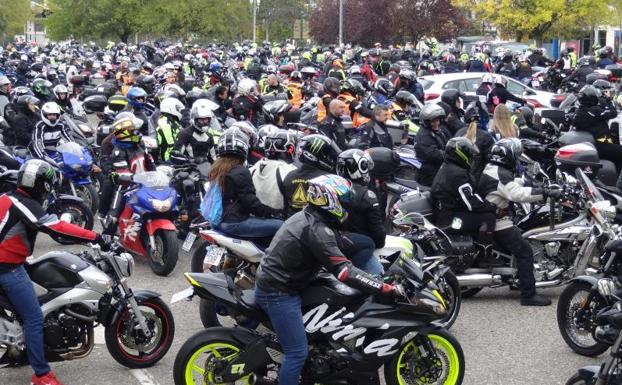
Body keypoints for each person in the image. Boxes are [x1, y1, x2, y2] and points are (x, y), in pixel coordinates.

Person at [254, 174, 400, 385]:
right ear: (330, 200)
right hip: (278, 292)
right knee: (297, 352)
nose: (345, 206)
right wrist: (381, 286)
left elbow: (336, 244)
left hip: (285, 281)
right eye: (342, 201)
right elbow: (343, 272)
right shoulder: (316, 229)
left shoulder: (309, 216)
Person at [0, 159, 106, 385]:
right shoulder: (25, 205)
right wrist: (96, 236)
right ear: (45, 185)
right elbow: (55, 227)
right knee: (34, 317)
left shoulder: (7, 198)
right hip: (6, 268)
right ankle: (42, 375)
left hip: (12, 261)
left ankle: (16, 346)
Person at [477, 138, 559, 306]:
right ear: (508, 155)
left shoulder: (494, 169)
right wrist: (545, 192)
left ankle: (519, 277)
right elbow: (517, 194)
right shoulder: (499, 174)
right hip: (498, 222)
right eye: (516, 154)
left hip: (494, 217)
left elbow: (511, 184)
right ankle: (528, 295)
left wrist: (530, 181)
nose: (517, 157)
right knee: (525, 251)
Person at [210, 130, 283, 238]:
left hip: (217, 220)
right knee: (282, 225)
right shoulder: (240, 171)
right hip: (234, 222)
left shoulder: (216, 169)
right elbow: (251, 203)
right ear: (243, 148)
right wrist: (273, 212)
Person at [431, 137, 496, 258]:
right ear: (460, 154)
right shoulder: (458, 174)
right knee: (488, 218)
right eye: (469, 154)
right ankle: (485, 256)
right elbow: (471, 203)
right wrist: (491, 206)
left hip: (443, 214)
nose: (471, 158)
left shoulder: (447, 166)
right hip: (451, 220)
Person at [336, 149, 385, 273]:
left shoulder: (331, 188)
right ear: (360, 167)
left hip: (332, 245)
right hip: (359, 250)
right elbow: (379, 237)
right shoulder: (368, 196)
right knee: (381, 277)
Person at [280, 134, 339, 217]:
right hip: (317, 225)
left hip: (291, 223)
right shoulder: (328, 180)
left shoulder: (289, 176)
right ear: (313, 156)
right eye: (327, 155)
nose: (330, 159)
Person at [572, 85, 621, 170]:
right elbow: (613, 113)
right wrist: (608, 99)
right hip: (600, 145)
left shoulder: (578, 112)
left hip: (588, 144)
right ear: (592, 98)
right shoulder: (595, 111)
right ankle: (619, 181)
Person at [250, 128, 298, 210]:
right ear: (290, 148)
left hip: (255, 214)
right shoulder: (290, 171)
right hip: (279, 218)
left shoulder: (254, 167)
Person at [456, 102, 494, 180]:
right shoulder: (486, 136)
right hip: (476, 180)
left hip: (458, 177)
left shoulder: (459, 132)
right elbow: (491, 161)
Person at [415, 103, 448, 187]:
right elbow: (433, 154)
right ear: (426, 122)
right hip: (430, 172)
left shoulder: (437, 131)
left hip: (439, 169)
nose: (437, 123)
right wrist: (451, 155)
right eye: (433, 121)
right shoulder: (424, 135)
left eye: (437, 120)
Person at [155, 97, 185, 162]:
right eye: (177, 108)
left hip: (176, 153)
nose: (179, 111)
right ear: (170, 108)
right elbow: (170, 141)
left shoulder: (173, 121)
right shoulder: (164, 121)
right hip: (168, 156)